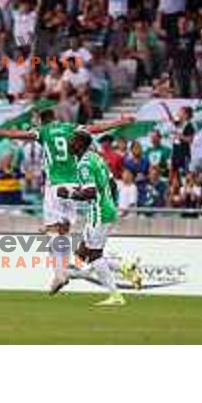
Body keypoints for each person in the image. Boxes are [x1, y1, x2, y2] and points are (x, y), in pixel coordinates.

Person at [0, 109, 134, 290]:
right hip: (74, 186)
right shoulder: (71, 128)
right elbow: (96, 129)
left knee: (52, 231)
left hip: (55, 186)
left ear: (41, 121)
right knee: (64, 230)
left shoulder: (43, 131)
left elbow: (20, 134)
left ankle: (59, 273)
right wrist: (120, 121)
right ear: (56, 118)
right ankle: (64, 270)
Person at [52, 129, 141, 305]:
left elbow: (90, 192)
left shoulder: (84, 163)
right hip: (104, 209)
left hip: (98, 213)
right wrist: (111, 203)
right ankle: (125, 268)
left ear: (80, 144)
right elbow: (111, 183)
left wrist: (68, 194)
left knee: (94, 256)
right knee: (82, 253)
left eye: (73, 141)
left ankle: (116, 295)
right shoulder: (96, 157)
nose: (70, 144)